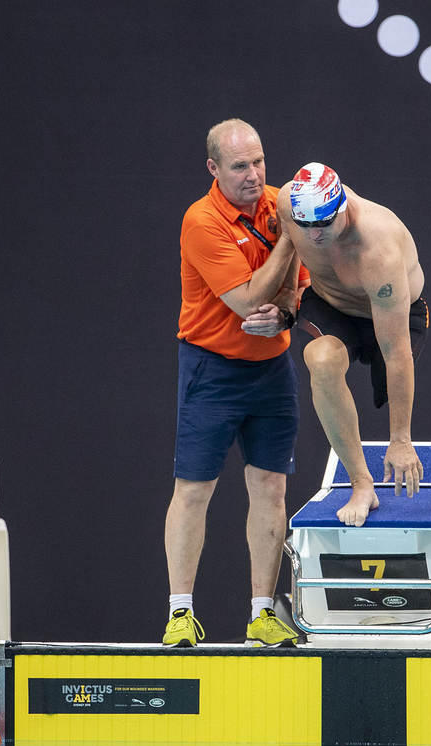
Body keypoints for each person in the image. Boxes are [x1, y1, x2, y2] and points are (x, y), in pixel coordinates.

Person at [163, 118, 307, 648]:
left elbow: (298, 292)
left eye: (260, 162)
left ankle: (263, 615)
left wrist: (287, 317)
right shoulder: (201, 220)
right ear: (214, 168)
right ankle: (181, 613)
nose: (254, 175)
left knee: (270, 486)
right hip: (211, 367)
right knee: (195, 489)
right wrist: (290, 241)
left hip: (272, 367)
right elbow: (246, 299)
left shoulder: (281, 204)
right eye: (241, 166)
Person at [245, 163, 428, 527]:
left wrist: (401, 439)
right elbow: (290, 248)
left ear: (342, 207)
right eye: (306, 225)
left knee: (392, 360)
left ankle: (385, 457)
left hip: (391, 315)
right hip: (331, 305)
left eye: (324, 224)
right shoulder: (287, 204)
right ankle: (361, 484)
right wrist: (284, 300)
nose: (314, 236)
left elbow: (396, 354)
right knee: (320, 359)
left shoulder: (379, 249)